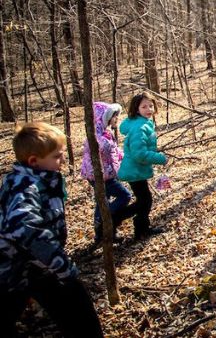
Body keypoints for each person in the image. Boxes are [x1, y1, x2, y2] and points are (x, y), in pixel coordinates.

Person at [0, 122, 104, 337]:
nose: (63, 160)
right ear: (34, 161)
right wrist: (59, 263)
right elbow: (23, 225)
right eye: (57, 156)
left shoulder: (40, 180)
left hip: (36, 269)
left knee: (78, 312)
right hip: (16, 272)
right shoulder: (25, 185)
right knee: (78, 305)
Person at [81, 102, 135, 245]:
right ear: (103, 118)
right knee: (124, 195)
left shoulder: (106, 133)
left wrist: (127, 157)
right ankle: (103, 221)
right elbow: (106, 149)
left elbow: (115, 153)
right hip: (99, 175)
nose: (116, 119)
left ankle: (103, 234)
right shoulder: (95, 136)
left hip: (106, 173)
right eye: (114, 116)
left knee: (102, 201)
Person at [118, 91, 168, 240]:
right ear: (136, 109)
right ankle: (116, 217)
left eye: (151, 106)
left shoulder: (143, 123)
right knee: (145, 200)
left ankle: (141, 229)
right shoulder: (140, 127)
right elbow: (139, 154)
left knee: (144, 199)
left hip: (137, 170)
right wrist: (160, 158)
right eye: (144, 107)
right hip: (134, 170)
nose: (149, 109)